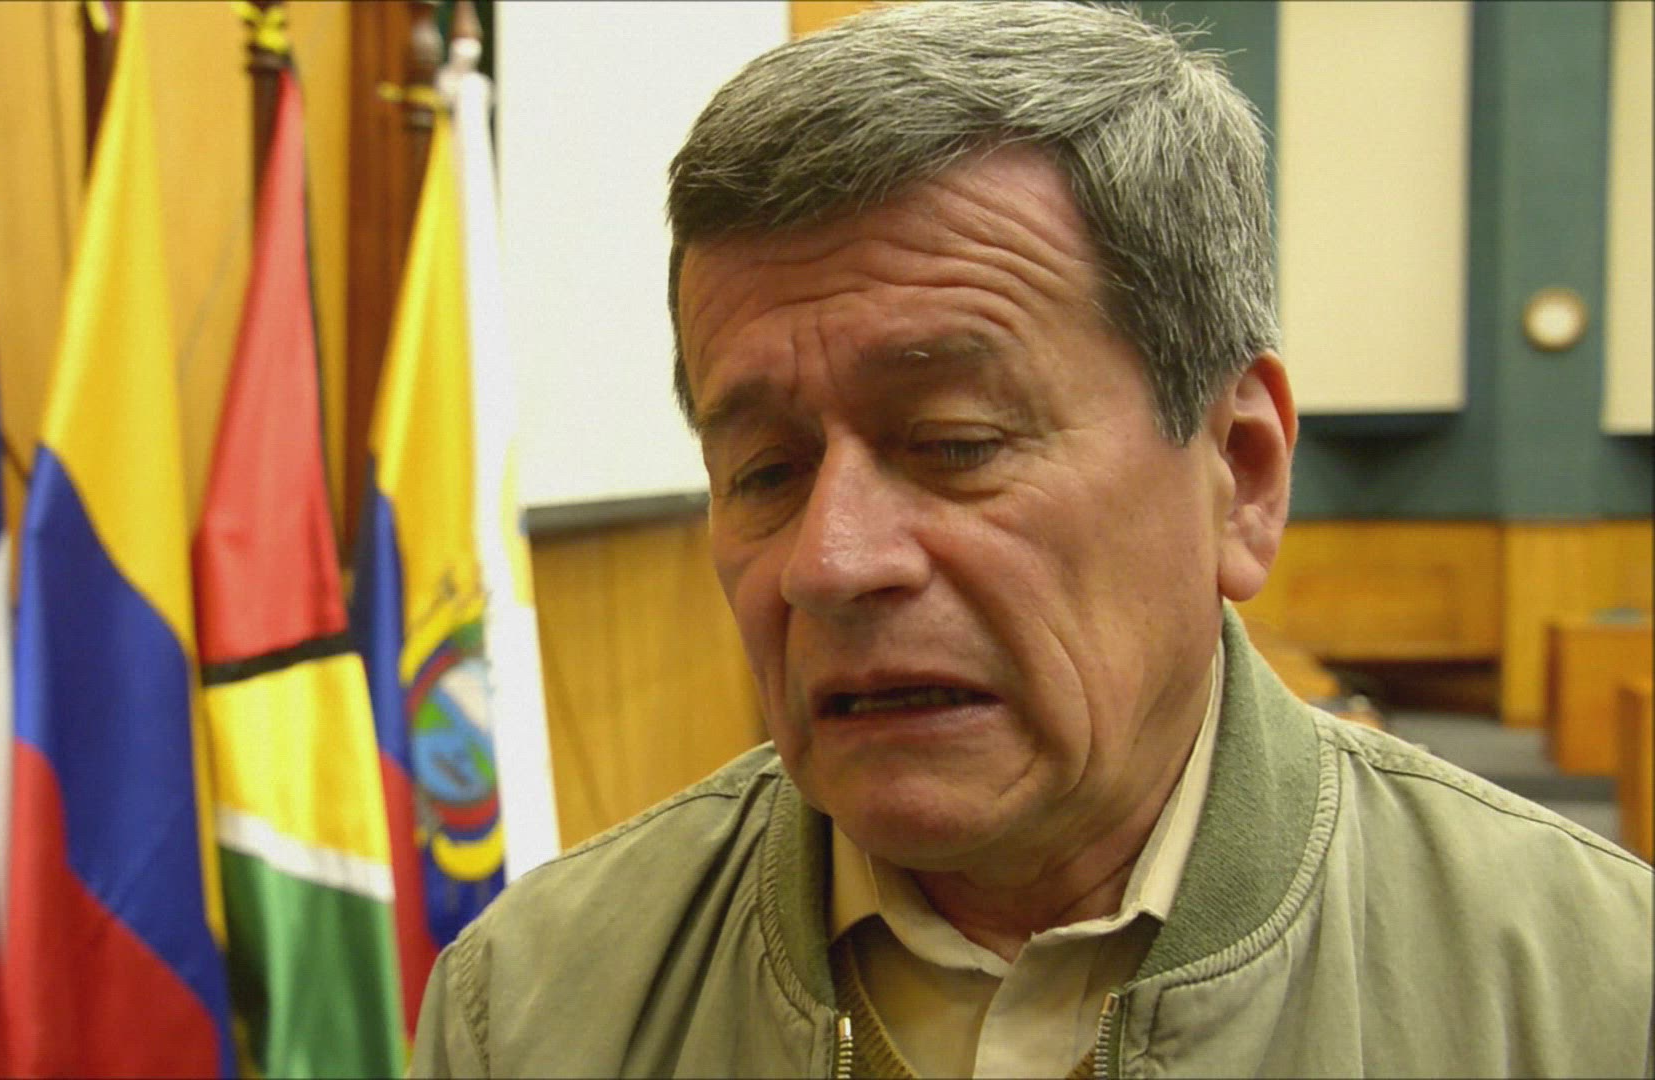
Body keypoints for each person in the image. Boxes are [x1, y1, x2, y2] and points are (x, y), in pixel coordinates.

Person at [410, 3, 1654, 1076]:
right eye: (767, 472)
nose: (831, 563)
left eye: (955, 443)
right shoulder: (528, 1008)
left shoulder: (1596, 997)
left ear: (1241, 473)